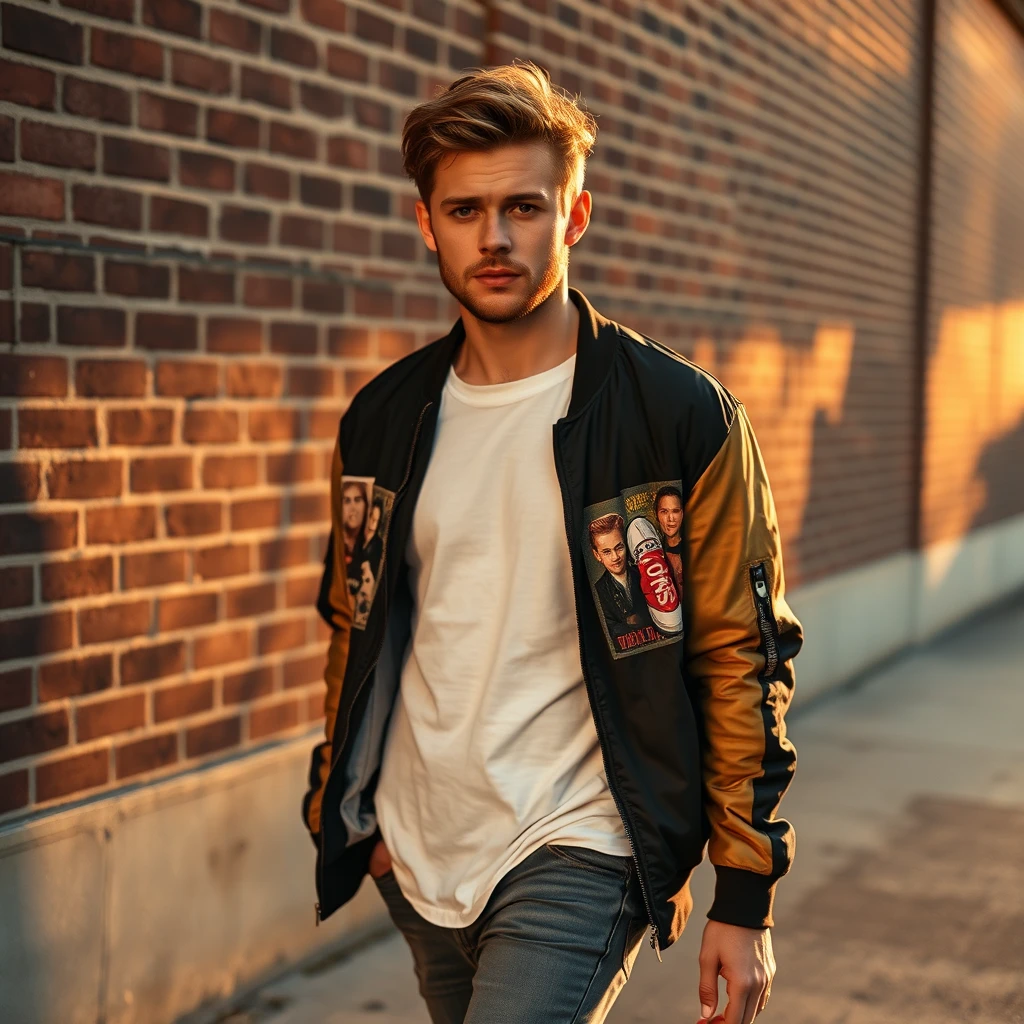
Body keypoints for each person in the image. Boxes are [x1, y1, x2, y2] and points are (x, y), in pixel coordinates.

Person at [303, 61, 801, 1024]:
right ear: (427, 223)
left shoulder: (675, 417)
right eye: (464, 211)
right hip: (417, 847)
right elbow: (352, 619)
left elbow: (743, 649)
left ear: (573, 217)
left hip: (579, 840)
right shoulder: (384, 419)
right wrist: (345, 805)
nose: (494, 239)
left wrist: (747, 891)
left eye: (524, 207)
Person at [589, 513, 653, 640]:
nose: (615, 557)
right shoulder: (598, 590)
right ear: (597, 555)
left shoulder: (646, 573)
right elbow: (609, 630)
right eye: (607, 552)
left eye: (619, 548)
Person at [654, 485, 685, 596]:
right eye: (664, 511)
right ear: (656, 515)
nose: (670, 518)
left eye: (675, 511)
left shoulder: (695, 548)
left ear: (682, 514)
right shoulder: (654, 554)